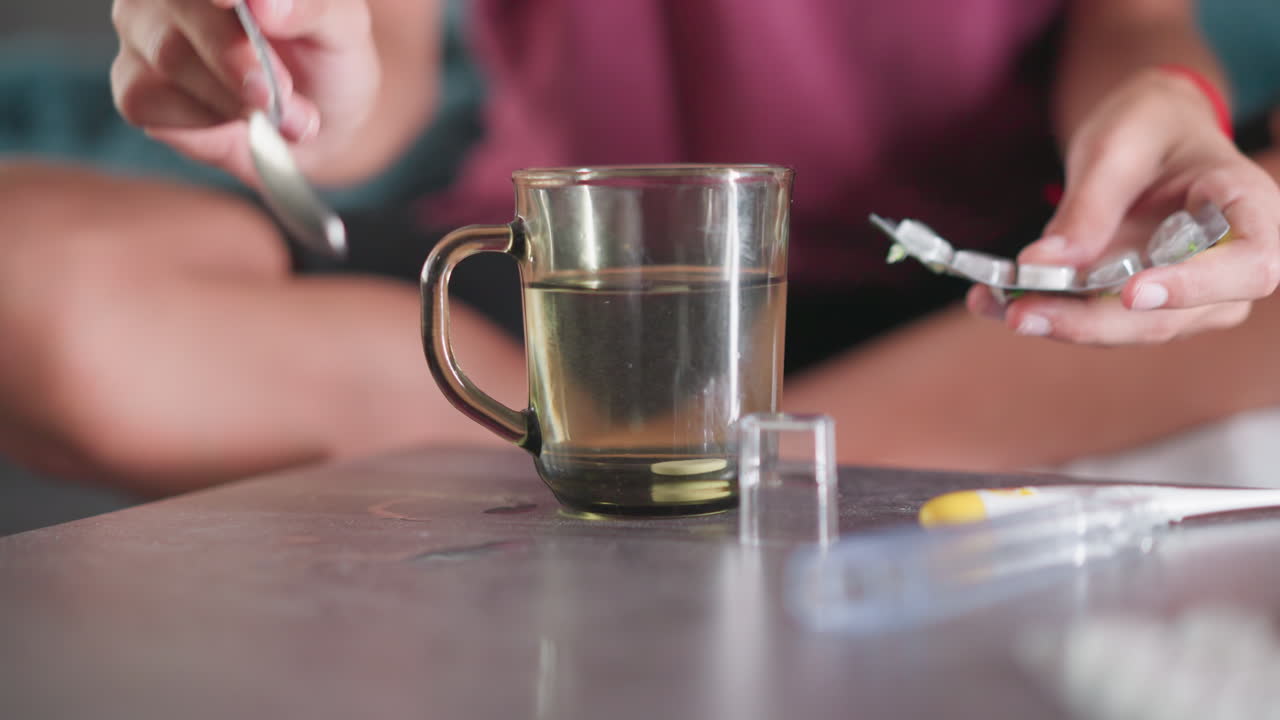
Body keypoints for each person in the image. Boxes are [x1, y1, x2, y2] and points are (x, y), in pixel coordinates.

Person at [0, 0, 1277, 497]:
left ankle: (676, 462)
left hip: (978, 296)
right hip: (566, 299)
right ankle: (683, 460)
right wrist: (282, 61)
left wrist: (1168, 111)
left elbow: (1129, 17)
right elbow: (368, 77)